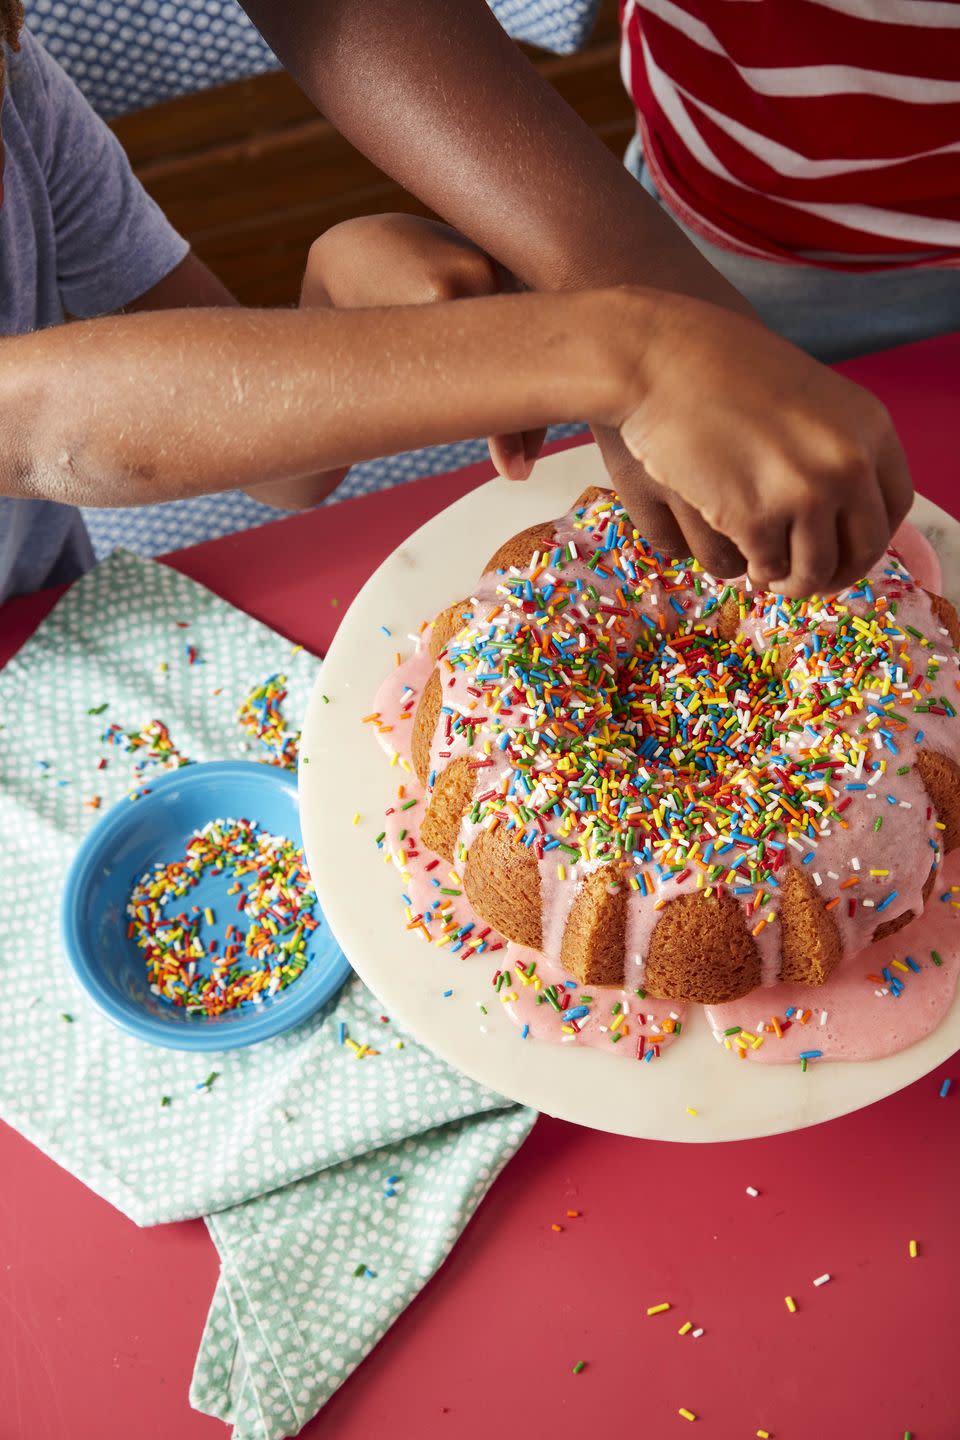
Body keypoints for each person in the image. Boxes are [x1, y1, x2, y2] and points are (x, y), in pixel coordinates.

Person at [0, 8, 909, 609]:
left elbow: (275, 476)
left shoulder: (19, 93)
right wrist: (630, 349)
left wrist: (335, 309)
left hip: (41, 609)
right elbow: (39, 422)